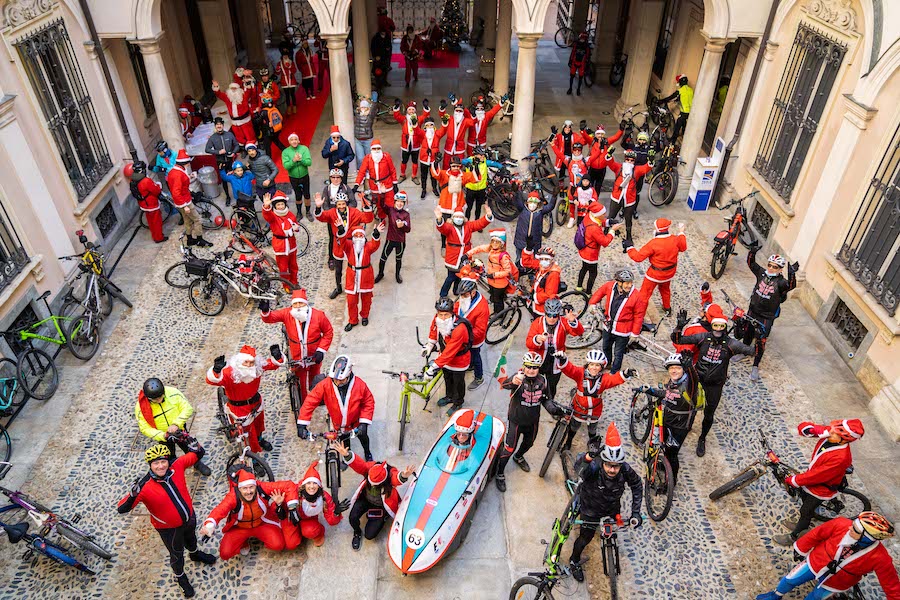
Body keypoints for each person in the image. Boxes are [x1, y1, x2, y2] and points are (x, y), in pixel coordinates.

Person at [117, 441, 216, 598]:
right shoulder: (143, 486)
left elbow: (198, 453)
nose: (161, 466)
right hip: (168, 529)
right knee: (176, 554)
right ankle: (180, 577)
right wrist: (132, 495)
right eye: (156, 463)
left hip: (189, 517)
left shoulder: (176, 466)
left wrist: (186, 439)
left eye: (163, 461)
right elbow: (122, 509)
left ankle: (195, 554)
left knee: (191, 539)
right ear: (150, 465)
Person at [672, 304, 754, 457]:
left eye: (720, 326)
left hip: (715, 386)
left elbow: (752, 351)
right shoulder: (702, 337)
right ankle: (688, 425)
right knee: (690, 406)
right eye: (715, 326)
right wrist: (678, 327)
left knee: (709, 415)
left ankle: (702, 438)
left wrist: (752, 332)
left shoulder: (731, 344)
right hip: (698, 380)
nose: (717, 330)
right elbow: (678, 340)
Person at [757, 512, 899, 600]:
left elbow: (891, 585)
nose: (850, 527)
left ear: (866, 537)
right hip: (815, 562)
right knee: (790, 579)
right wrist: (800, 549)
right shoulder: (841, 524)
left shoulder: (881, 558)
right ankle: (775, 595)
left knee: (816, 597)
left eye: (855, 529)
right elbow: (817, 533)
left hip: (838, 581)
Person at [567, 423, 643, 583]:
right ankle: (574, 560)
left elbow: (637, 485)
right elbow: (579, 469)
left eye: (616, 466)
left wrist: (636, 512)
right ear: (603, 462)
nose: (612, 470)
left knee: (615, 526)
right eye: (609, 465)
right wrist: (588, 457)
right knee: (584, 538)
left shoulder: (625, 470)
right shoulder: (594, 467)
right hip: (590, 508)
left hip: (612, 508)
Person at [772, 419, 865, 546]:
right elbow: (804, 428)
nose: (829, 433)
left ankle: (796, 535)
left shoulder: (840, 457)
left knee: (806, 510)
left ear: (843, 439)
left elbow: (817, 476)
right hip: (814, 480)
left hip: (821, 488)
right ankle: (802, 523)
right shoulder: (832, 434)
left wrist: (794, 481)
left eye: (833, 433)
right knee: (805, 503)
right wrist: (811, 430)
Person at [495, 352, 559, 492]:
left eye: (534, 367)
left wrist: (554, 410)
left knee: (529, 443)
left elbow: (546, 399)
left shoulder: (543, 381)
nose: (531, 370)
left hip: (533, 421)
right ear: (523, 366)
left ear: (538, 368)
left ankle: (519, 457)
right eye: (528, 367)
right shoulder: (519, 377)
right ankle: (499, 473)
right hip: (516, 420)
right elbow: (504, 384)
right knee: (509, 448)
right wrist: (513, 381)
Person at [332, 441, 414, 551]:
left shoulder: (390, 475)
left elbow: (396, 478)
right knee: (352, 517)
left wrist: (404, 475)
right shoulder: (371, 468)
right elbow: (359, 465)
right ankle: (357, 532)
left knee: (370, 535)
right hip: (365, 499)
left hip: (381, 506)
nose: (371, 484)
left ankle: (384, 516)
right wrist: (347, 455)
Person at [736, 245, 799, 381]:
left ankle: (755, 366)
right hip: (753, 310)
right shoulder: (762, 273)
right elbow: (751, 264)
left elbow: (791, 286)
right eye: (770, 265)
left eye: (775, 267)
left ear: (780, 269)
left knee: (761, 340)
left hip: (766, 317)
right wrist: (752, 252)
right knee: (748, 331)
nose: (771, 268)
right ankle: (744, 351)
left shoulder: (781, 282)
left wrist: (792, 273)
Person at [260, 288, 334, 405]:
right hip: (297, 356)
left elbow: (328, 332)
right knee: (300, 381)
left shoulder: (319, 316)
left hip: (314, 354)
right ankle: (304, 404)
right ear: (292, 305)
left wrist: (321, 350)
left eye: (300, 303)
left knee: (315, 377)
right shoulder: (287, 314)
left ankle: (317, 396)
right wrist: (265, 311)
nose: (298, 306)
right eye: (295, 304)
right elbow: (270, 318)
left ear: (306, 303)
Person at [206, 344, 285, 453]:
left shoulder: (257, 368)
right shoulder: (230, 373)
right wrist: (216, 370)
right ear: (239, 362)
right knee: (249, 435)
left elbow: (272, 365)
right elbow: (213, 380)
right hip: (239, 409)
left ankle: (260, 439)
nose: (248, 365)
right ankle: (254, 458)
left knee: (258, 425)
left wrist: (277, 357)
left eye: (251, 363)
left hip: (256, 403)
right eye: (246, 362)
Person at [296, 355, 376, 462]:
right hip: (339, 425)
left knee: (364, 438)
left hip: (356, 423)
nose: (338, 382)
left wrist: (364, 423)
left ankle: (367, 452)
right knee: (344, 443)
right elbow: (310, 401)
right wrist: (302, 424)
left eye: (341, 380)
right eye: (335, 379)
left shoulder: (360, 385)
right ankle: (347, 458)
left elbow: (368, 402)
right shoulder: (325, 385)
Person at [640, 352, 702, 485]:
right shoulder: (672, 382)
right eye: (671, 368)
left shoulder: (689, 386)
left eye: (678, 368)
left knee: (672, 454)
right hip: (667, 420)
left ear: (683, 369)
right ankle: (663, 463)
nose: (674, 370)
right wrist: (651, 391)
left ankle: (671, 481)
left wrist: (690, 367)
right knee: (665, 446)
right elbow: (667, 394)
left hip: (680, 426)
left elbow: (694, 380)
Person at [198, 470, 290, 560]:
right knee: (225, 553)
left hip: (261, 523)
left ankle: (260, 537)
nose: (249, 491)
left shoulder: (262, 489)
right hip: (240, 527)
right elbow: (221, 509)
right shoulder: (233, 497)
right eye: (245, 488)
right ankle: (243, 541)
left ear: (256, 485)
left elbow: (286, 486)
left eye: (251, 487)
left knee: (278, 544)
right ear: (239, 488)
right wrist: (210, 524)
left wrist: (283, 503)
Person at [556, 351, 634, 449]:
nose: (594, 367)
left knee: (592, 429)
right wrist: (563, 360)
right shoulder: (580, 374)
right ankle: (568, 442)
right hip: (579, 408)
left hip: (595, 410)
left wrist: (625, 374)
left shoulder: (604, 378)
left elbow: (613, 379)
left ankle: (592, 444)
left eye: (597, 365)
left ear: (602, 367)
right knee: (574, 426)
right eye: (591, 364)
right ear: (587, 365)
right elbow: (570, 370)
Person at [135, 377, 211, 476]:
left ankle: (196, 463)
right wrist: (163, 435)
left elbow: (187, 408)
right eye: (155, 399)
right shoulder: (141, 407)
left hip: (179, 430)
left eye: (160, 397)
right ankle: (174, 470)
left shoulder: (174, 393)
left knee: (189, 448)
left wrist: (176, 423)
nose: (159, 400)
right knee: (169, 455)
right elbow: (145, 428)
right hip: (163, 436)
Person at [315, 190, 375, 299]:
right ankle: (338, 287)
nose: (341, 206)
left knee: (354, 267)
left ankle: (354, 286)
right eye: (339, 204)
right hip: (338, 244)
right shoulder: (332, 213)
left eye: (343, 204)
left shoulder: (354, 212)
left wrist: (366, 207)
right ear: (336, 204)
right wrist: (318, 207)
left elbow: (368, 219)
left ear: (346, 203)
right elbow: (321, 217)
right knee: (338, 269)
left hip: (352, 244)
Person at [589, 269, 648, 373]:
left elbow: (638, 316)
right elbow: (599, 293)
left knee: (618, 352)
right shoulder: (610, 286)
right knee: (606, 346)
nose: (629, 285)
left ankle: (614, 371)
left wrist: (635, 333)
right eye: (627, 283)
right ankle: (607, 363)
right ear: (619, 283)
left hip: (623, 330)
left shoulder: (637, 296)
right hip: (608, 324)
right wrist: (593, 304)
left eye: (631, 282)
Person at [624, 218, 688, 316]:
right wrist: (681, 232)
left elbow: (638, 257)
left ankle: (639, 313)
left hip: (654, 274)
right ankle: (667, 308)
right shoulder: (675, 239)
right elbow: (683, 247)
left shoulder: (653, 244)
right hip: (669, 273)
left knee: (644, 294)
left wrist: (629, 247)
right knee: (665, 290)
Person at [525, 298, 584, 401]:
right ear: (545, 313)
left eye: (555, 315)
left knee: (552, 385)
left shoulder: (563, 322)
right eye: (549, 315)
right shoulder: (537, 323)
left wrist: (573, 321)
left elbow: (579, 332)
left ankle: (550, 401)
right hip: (539, 358)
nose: (551, 318)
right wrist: (537, 339)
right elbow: (529, 343)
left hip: (555, 359)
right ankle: (533, 399)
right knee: (533, 381)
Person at [281, 461, 349, 549]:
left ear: (319, 485)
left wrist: (336, 512)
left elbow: (331, 521)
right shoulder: (294, 491)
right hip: (290, 516)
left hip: (308, 519)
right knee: (291, 544)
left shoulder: (324, 497)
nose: (312, 486)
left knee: (310, 531)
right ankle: (296, 532)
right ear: (304, 485)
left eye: (315, 483)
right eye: (309, 483)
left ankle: (318, 533)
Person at [425, 297, 473, 415]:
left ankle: (458, 402)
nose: (442, 318)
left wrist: (433, 368)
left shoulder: (459, 329)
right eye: (440, 314)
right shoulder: (438, 320)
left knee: (458, 382)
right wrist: (430, 344)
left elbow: (450, 352)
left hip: (459, 361)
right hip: (445, 361)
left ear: (452, 313)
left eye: (446, 315)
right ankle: (449, 396)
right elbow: (434, 329)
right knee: (447, 379)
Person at [434, 205, 493, 298]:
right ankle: (443, 293)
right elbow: (442, 228)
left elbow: (479, 223)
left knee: (461, 275)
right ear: (453, 218)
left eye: (460, 217)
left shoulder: (468, 225)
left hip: (465, 255)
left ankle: (456, 290)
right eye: (457, 217)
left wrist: (488, 216)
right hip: (453, 256)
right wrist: (439, 219)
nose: (459, 219)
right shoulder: (449, 227)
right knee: (451, 277)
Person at [599, 148, 653, 241]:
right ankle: (605, 231)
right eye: (628, 160)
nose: (629, 162)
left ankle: (629, 236)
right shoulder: (619, 167)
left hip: (629, 199)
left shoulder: (637, 170)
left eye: (632, 161)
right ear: (625, 159)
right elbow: (610, 163)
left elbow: (646, 168)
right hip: (617, 197)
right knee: (611, 215)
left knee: (628, 219)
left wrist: (651, 161)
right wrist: (608, 155)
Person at [341, 224, 386, 331]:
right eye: (356, 235)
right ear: (352, 237)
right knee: (351, 301)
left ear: (364, 237)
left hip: (365, 275)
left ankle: (365, 315)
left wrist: (376, 233)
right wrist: (341, 230)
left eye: (360, 235)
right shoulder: (348, 246)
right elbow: (341, 242)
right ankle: (353, 320)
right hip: (352, 276)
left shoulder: (368, 247)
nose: (358, 237)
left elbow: (375, 244)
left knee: (366, 299)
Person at [432, 155, 483, 245]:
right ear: (450, 166)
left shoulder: (463, 175)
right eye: (453, 166)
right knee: (444, 227)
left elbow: (476, 178)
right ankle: (444, 245)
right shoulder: (444, 174)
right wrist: (436, 162)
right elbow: (436, 174)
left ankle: (455, 242)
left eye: (458, 166)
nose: (456, 168)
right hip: (445, 206)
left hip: (458, 207)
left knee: (458, 227)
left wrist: (475, 166)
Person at [167, 149, 211, 247]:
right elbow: (176, 192)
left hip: (182, 200)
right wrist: (185, 205)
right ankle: (199, 239)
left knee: (187, 220)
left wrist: (189, 177)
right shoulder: (178, 174)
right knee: (197, 219)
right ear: (185, 163)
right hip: (185, 201)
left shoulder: (175, 171)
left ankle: (190, 239)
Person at [454, 269, 489, 390]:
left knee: (476, 356)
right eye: (461, 295)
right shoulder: (464, 298)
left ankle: (479, 378)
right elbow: (457, 308)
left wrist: (462, 335)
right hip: (463, 336)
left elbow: (479, 330)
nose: (462, 297)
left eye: (465, 295)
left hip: (473, 340)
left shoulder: (482, 307)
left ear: (473, 292)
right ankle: (471, 365)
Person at [466, 228, 516, 314]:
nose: (495, 244)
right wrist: (467, 254)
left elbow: (507, 271)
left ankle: (499, 314)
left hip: (499, 283)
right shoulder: (491, 249)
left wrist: (494, 275)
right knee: (493, 295)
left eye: (497, 242)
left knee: (498, 300)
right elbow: (479, 248)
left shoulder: (503, 256)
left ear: (501, 244)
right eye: (493, 241)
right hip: (492, 280)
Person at [576, 201, 622, 294]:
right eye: (603, 214)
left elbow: (600, 222)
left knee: (584, 268)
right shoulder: (594, 229)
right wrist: (612, 231)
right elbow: (605, 242)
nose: (605, 216)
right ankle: (588, 293)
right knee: (593, 273)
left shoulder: (589, 216)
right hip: (590, 254)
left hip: (584, 250)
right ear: (597, 215)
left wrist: (609, 222)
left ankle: (579, 287)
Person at [260, 191, 301, 286]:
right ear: (275, 206)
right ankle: (286, 285)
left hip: (291, 243)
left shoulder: (290, 214)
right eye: (278, 205)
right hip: (280, 245)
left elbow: (296, 226)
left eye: (282, 204)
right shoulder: (273, 216)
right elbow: (267, 215)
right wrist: (266, 207)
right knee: (283, 268)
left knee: (293, 265)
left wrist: (296, 228)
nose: (281, 207)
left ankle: (294, 282)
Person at [316, 170, 354, 270]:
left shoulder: (346, 188)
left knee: (346, 236)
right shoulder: (327, 189)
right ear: (330, 178)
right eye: (333, 177)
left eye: (338, 177)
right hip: (332, 217)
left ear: (341, 178)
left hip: (344, 216)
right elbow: (325, 204)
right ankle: (331, 258)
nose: (336, 179)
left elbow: (353, 202)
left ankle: (346, 253)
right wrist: (332, 214)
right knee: (332, 237)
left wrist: (345, 211)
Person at [355, 139, 399, 221]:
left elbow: (392, 170)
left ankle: (392, 218)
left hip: (387, 184)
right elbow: (362, 172)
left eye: (378, 149)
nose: (376, 151)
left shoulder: (386, 157)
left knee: (390, 203)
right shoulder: (367, 159)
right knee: (379, 204)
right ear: (371, 149)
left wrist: (395, 183)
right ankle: (382, 218)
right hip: (374, 186)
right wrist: (356, 184)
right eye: (374, 149)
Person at [125, 161, 167, 243]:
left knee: (151, 222)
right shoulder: (146, 181)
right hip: (151, 204)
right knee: (156, 222)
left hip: (143, 204)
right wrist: (158, 185)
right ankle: (159, 238)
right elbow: (156, 190)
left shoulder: (132, 180)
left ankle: (154, 235)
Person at [375, 190, 411, 284]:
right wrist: (382, 194)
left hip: (400, 241)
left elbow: (408, 229)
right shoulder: (390, 210)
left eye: (401, 202)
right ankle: (380, 273)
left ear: (404, 203)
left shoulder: (406, 214)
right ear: (395, 202)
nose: (399, 204)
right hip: (390, 239)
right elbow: (382, 205)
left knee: (398, 259)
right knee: (383, 258)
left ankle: (397, 274)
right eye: (398, 201)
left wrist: (403, 225)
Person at [205, 117, 240, 205]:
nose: (219, 126)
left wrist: (233, 152)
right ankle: (227, 196)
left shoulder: (229, 135)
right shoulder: (213, 137)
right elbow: (207, 149)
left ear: (223, 125)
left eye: (220, 124)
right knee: (224, 180)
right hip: (220, 162)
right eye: (217, 124)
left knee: (235, 177)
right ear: (215, 126)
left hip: (230, 161)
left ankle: (238, 194)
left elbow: (237, 145)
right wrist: (218, 152)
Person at [514, 191, 554, 264]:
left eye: (535, 202)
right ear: (527, 202)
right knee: (519, 257)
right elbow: (517, 201)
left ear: (538, 204)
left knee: (533, 258)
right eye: (531, 202)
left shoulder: (541, 211)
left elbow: (550, 206)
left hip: (534, 242)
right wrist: (516, 192)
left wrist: (554, 196)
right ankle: (519, 269)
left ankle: (531, 271)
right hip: (521, 240)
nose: (532, 205)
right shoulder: (523, 209)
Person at [621, 130, 654, 219]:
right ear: (637, 139)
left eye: (644, 140)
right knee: (626, 190)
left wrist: (657, 140)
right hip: (630, 171)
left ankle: (634, 209)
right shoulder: (633, 147)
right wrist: (626, 135)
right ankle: (623, 209)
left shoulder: (648, 149)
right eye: (640, 140)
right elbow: (623, 144)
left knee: (636, 193)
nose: (642, 142)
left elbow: (657, 149)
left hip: (641, 172)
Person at [211, 80, 256, 146]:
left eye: (235, 88)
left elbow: (249, 91)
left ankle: (252, 147)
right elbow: (219, 94)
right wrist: (216, 86)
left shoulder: (244, 95)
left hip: (245, 121)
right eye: (232, 89)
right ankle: (243, 148)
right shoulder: (227, 97)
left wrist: (247, 83)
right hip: (235, 122)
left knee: (249, 135)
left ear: (239, 89)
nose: (233, 90)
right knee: (239, 136)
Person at [520, 246, 562, 317]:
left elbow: (549, 295)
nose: (543, 261)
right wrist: (528, 249)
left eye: (546, 259)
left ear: (551, 260)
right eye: (541, 259)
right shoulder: (542, 266)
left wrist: (534, 297)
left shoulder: (553, 275)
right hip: (536, 297)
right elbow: (526, 263)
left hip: (542, 307)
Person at [279, 133, 313, 219]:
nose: (294, 141)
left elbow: (309, 162)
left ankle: (308, 212)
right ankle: (299, 212)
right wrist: (293, 160)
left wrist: (301, 160)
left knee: (307, 194)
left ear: (298, 140)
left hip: (304, 175)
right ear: (289, 142)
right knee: (298, 195)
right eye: (292, 140)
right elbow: (286, 166)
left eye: (295, 139)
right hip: (293, 177)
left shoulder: (304, 149)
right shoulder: (285, 152)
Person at [586, 124, 623, 195]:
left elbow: (616, 137)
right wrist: (583, 131)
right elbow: (585, 137)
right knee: (589, 185)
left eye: (602, 134)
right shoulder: (592, 141)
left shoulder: (607, 141)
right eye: (598, 133)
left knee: (598, 186)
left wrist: (621, 130)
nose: (600, 135)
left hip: (602, 169)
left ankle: (595, 201)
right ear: (596, 134)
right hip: (592, 168)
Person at [462, 145, 493, 220]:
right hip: (471, 189)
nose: (483, 156)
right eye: (481, 155)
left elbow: (495, 164)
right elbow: (462, 161)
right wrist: (468, 164)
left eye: (483, 154)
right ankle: (467, 221)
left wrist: (502, 167)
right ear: (475, 155)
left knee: (478, 208)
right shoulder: (470, 160)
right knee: (468, 207)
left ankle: (477, 222)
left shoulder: (485, 162)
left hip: (481, 190)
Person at [660, 74, 693, 141]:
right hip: (691, 112)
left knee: (677, 127)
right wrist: (677, 99)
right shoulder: (690, 90)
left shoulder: (680, 90)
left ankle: (673, 141)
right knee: (684, 125)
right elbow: (686, 98)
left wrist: (661, 101)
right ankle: (684, 138)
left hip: (684, 112)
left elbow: (670, 97)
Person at [418, 116, 444, 198]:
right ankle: (424, 189)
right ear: (425, 126)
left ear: (434, 126)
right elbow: (416, 130)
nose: (429, 127)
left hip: (433, 159)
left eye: (431, 125)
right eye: (428, 125)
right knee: (423, 175)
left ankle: (434, 188)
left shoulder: (437, 134)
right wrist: (415, 124)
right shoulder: (422, 134)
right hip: (424, 159)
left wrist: (445, 123)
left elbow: (443, 130)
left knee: (434, 175)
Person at [567, 32, 592, 96]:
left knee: (580, 77)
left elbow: (588, 57)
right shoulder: (576, 44)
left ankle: (578, 89)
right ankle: (570, 88)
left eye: (583, 39)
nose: (582, 40)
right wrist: (570, 61)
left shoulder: (587, 47)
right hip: (575, 62)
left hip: (582, 63)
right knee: (572, 76)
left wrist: (587, 64)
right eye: (581, 38)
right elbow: (572, 53)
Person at [354, 98, 376, 167]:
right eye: (362, 107)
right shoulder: (357, 113)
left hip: (368, 139)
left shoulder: (370, 115)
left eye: (365, 107)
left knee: (369, 157)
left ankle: (368, 172)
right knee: (360, 158)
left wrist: (372, 100)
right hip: (358, 140)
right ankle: (361, 171)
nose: (363, 108)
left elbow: (374, 107)